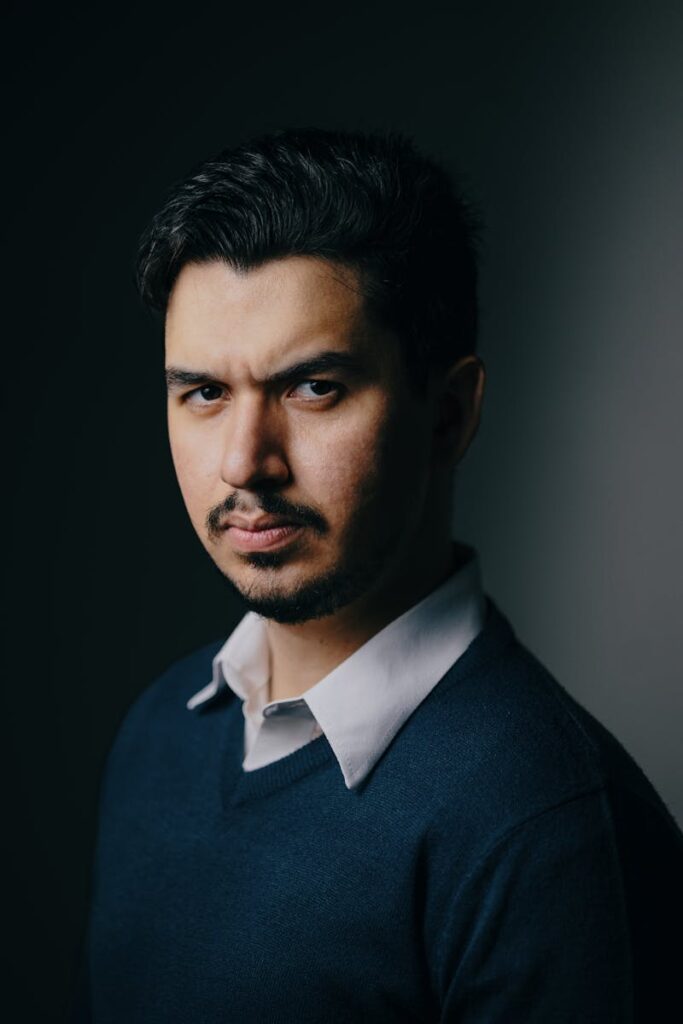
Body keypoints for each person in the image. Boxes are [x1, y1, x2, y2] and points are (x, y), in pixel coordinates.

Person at [79, 128, 682, 1022]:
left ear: (446, 416)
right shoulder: (159, 735)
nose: (244, 463)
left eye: (312, 388)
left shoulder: (547, 824)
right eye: (203, 392)